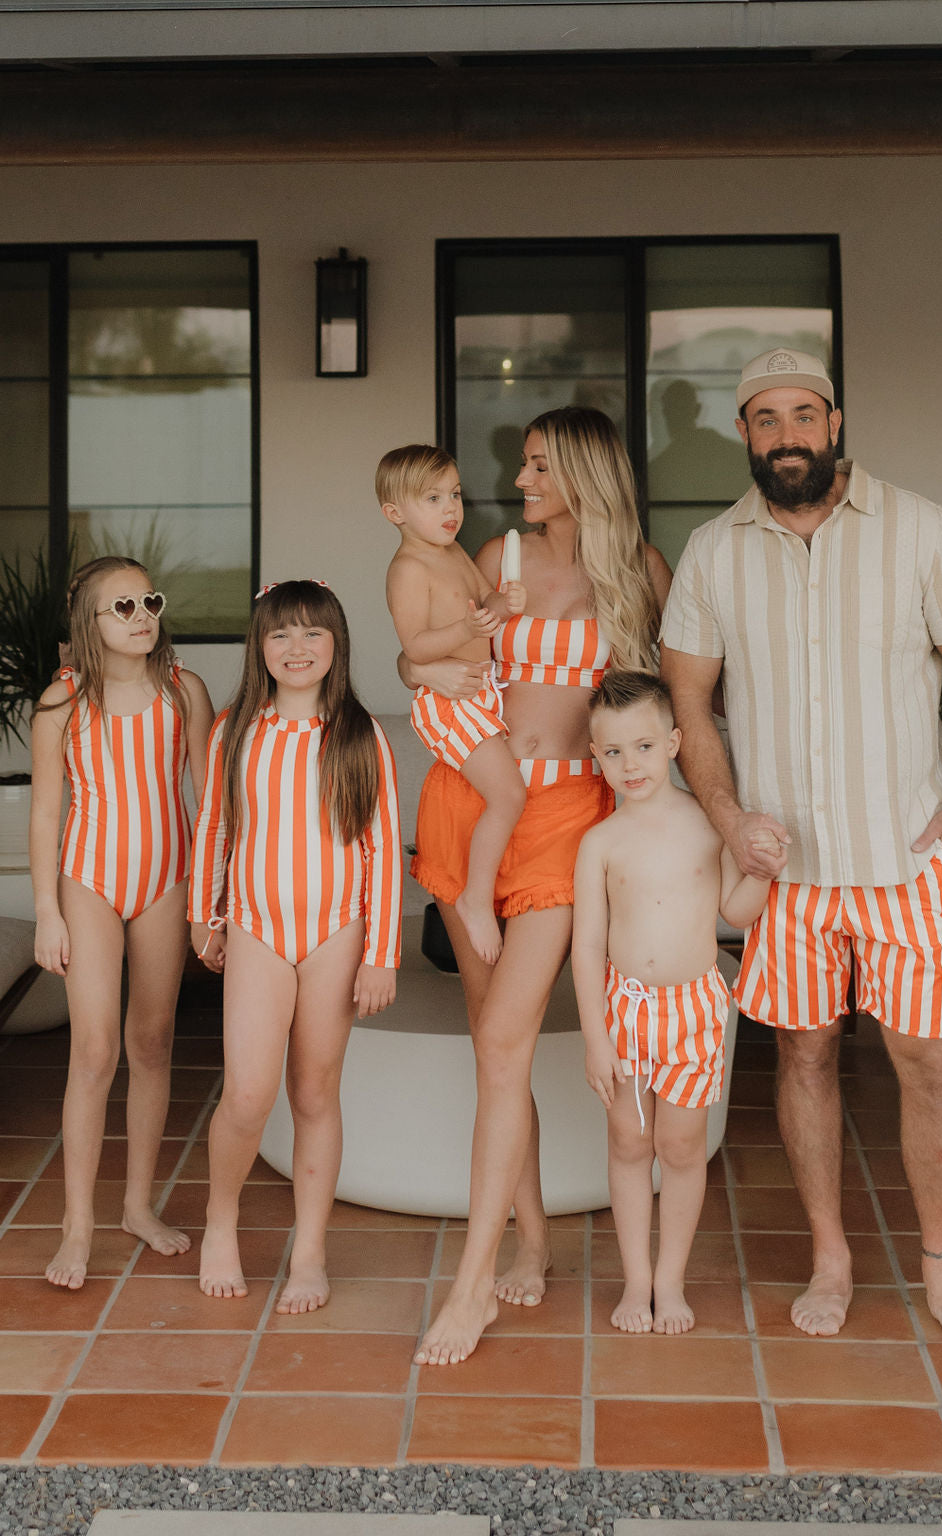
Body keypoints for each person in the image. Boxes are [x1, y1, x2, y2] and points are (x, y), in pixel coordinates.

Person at [660, 347, 942, 1352]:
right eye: (765, 420)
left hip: (904, 862)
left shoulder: (915, 525)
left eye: (802, 415)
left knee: (928, 1063)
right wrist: (728, 821)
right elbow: (689, 701)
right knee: (805, 1057)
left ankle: (941, 1272)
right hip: (790, 880)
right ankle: (830, 1257)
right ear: (745, 435)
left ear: (835, 422)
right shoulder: (714, 549)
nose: (786, 435)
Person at [400, 406, 673, 1364]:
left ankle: (469, 1291)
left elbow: (661, 710)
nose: (519, 482)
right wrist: (411, 660)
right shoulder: (495, 552)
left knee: (508, 1034)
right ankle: (533, 1240)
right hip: (470, 803)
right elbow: (428, 654)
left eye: (539, 466)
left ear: (586, 473)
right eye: (521, 466)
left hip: (569, 819)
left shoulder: (639, 570)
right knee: (493, 1045)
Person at [189, 579, 401, 1314]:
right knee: (248, 1094)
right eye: (281, 633)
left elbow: (379, 848)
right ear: (260, 646)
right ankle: (222, 1218)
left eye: (314, 633)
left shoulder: (359, 734)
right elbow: (216, 827)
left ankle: (309, 1251)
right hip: (254, 927)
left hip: (337, 932)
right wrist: (202, 913)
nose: (298, 647)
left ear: (337, 645)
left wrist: (381, 953)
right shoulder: (235, 731)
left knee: (314, 1092)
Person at [573, 671, 779, 1334]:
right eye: (612, 752)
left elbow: (735, 912)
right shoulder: (600, 843)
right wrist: (596, 1038)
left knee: (683, 1146)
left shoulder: (705, 824)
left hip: (695, 1010)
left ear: (673, 742)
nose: (629, 764)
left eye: (642, 746)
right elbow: (586, 948)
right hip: (625, 1010)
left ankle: (672, 1281)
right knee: (630, 1141)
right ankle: (636, 1282)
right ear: (595, 756)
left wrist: (765, 876)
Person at [30, 556, 214, 1290]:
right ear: (89, 623)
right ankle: (78, 1228)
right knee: (95, 1049)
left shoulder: (183, 691)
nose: (142, 617)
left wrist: (212, 894)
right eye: (122, 607)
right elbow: (47, 814)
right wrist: (48, 909)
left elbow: (212, 799)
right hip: (90, 882)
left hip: (168, 881)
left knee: (153, 1040)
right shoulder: (62, 702)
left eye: (149, 602)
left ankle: (138, 1205)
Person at [379, 444, 527, 964]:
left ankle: (479, 891)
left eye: (456, 495)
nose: (451, 509)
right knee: (508, 795)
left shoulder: (455, 551)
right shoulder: (408, 568)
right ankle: (474, 898)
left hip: (479, 693)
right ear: (394, 513)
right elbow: (415, 646)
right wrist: (467, 626)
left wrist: (501, 605)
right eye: (433, 498)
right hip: (448, 702)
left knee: (501, 796)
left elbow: (485, 598)